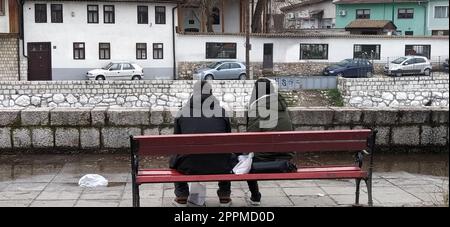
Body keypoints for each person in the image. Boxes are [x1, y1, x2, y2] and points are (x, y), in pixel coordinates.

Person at [170, 80, 237, 207]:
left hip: (189, 164)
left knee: (176, 157)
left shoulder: (182, 112)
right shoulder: (222, 112)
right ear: (211, 93)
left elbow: (176, 142)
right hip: (219, 164)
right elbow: (228, 140)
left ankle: (182, 196)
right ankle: (224, 196)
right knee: (226, 154)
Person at [246, 78, 295, 206]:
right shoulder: (283, 107)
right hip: (286, 158)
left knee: (244, 161)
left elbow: (250, 138)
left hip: (263, 159)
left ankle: (255, 196)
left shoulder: (257, 108)